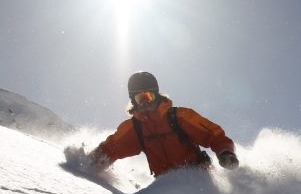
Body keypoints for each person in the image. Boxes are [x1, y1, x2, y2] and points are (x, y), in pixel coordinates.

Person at [88, 71, 239, 176]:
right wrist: (87, 163)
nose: (145, 103)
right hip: (166, 188)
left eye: (149, 97)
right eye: (140, 99)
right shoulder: (135, 128)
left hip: (199, 178)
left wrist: (225, 152)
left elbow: (213, 135)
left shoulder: (179, 116)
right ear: (133, 101)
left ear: (157, 95)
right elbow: (112, 148)